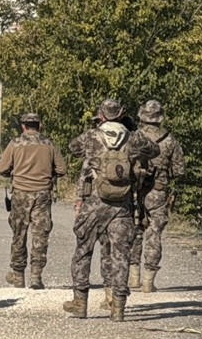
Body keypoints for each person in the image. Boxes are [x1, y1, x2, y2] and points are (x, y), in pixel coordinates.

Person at [64, 99, 159, 321]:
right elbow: (153, 150)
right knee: (120, 254)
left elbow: (73, 147)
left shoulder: (91, 136)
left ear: (102, 114)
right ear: (121, 114)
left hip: (94, 203)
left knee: (83, 250)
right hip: (123, 204)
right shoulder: (133, 137)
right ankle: (118, 308)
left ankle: (80, 303)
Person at [0, 112, 67, 289]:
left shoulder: (15, 144)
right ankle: (36, 276)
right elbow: (62, 169)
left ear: (23, 126)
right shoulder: (49, 144)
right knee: (40, 235)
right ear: (39, 125)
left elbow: (2, 168)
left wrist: (16, 172)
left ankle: (18, 275)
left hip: (21, 194)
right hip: (43, 194)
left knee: (19, 234)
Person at [129, 99, 186, 292]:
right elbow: (179, 170)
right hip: (158, 192)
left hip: (135, 191)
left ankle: (133, 277)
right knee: (154, 234)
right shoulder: (170, 140)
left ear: (142, 116)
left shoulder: (134, 137)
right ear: (160, 117)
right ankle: (148, 281)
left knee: (135, 230)